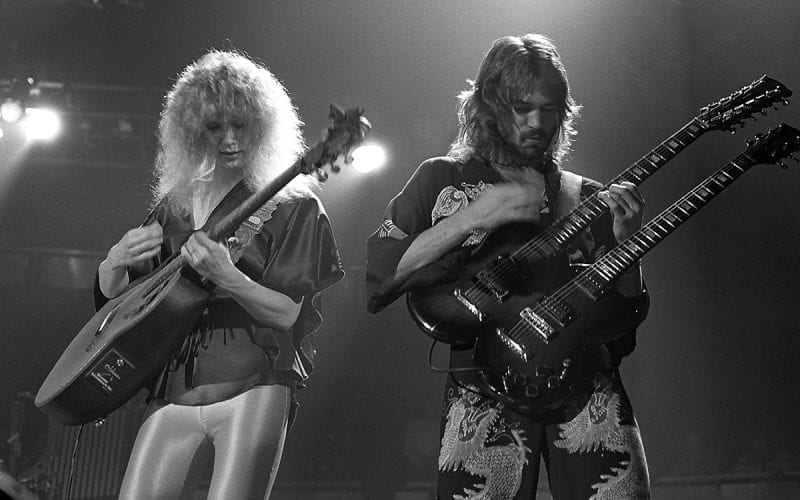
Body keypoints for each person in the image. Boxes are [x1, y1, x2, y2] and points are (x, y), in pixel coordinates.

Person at [366, 34, 651, 498]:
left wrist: (629, 246)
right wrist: (476, 215)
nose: (538, 122)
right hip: (482, 390)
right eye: (522, 108)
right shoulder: (441, 178)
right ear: (490, 103)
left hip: (587, 391)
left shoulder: (587, 197)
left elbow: (621, 332)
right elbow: (379, 281)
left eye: (550, 108)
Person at [95, 50, 344, 499]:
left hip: (252, 383)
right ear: (193, 132)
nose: (229, 139)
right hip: (172, 386)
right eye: (214, 127)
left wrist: (230, 278)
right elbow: (119, 301)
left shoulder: (294, 205)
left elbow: (288, 313)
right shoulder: (174, 205)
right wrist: (113, 259)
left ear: (262, 125)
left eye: (241, 126)